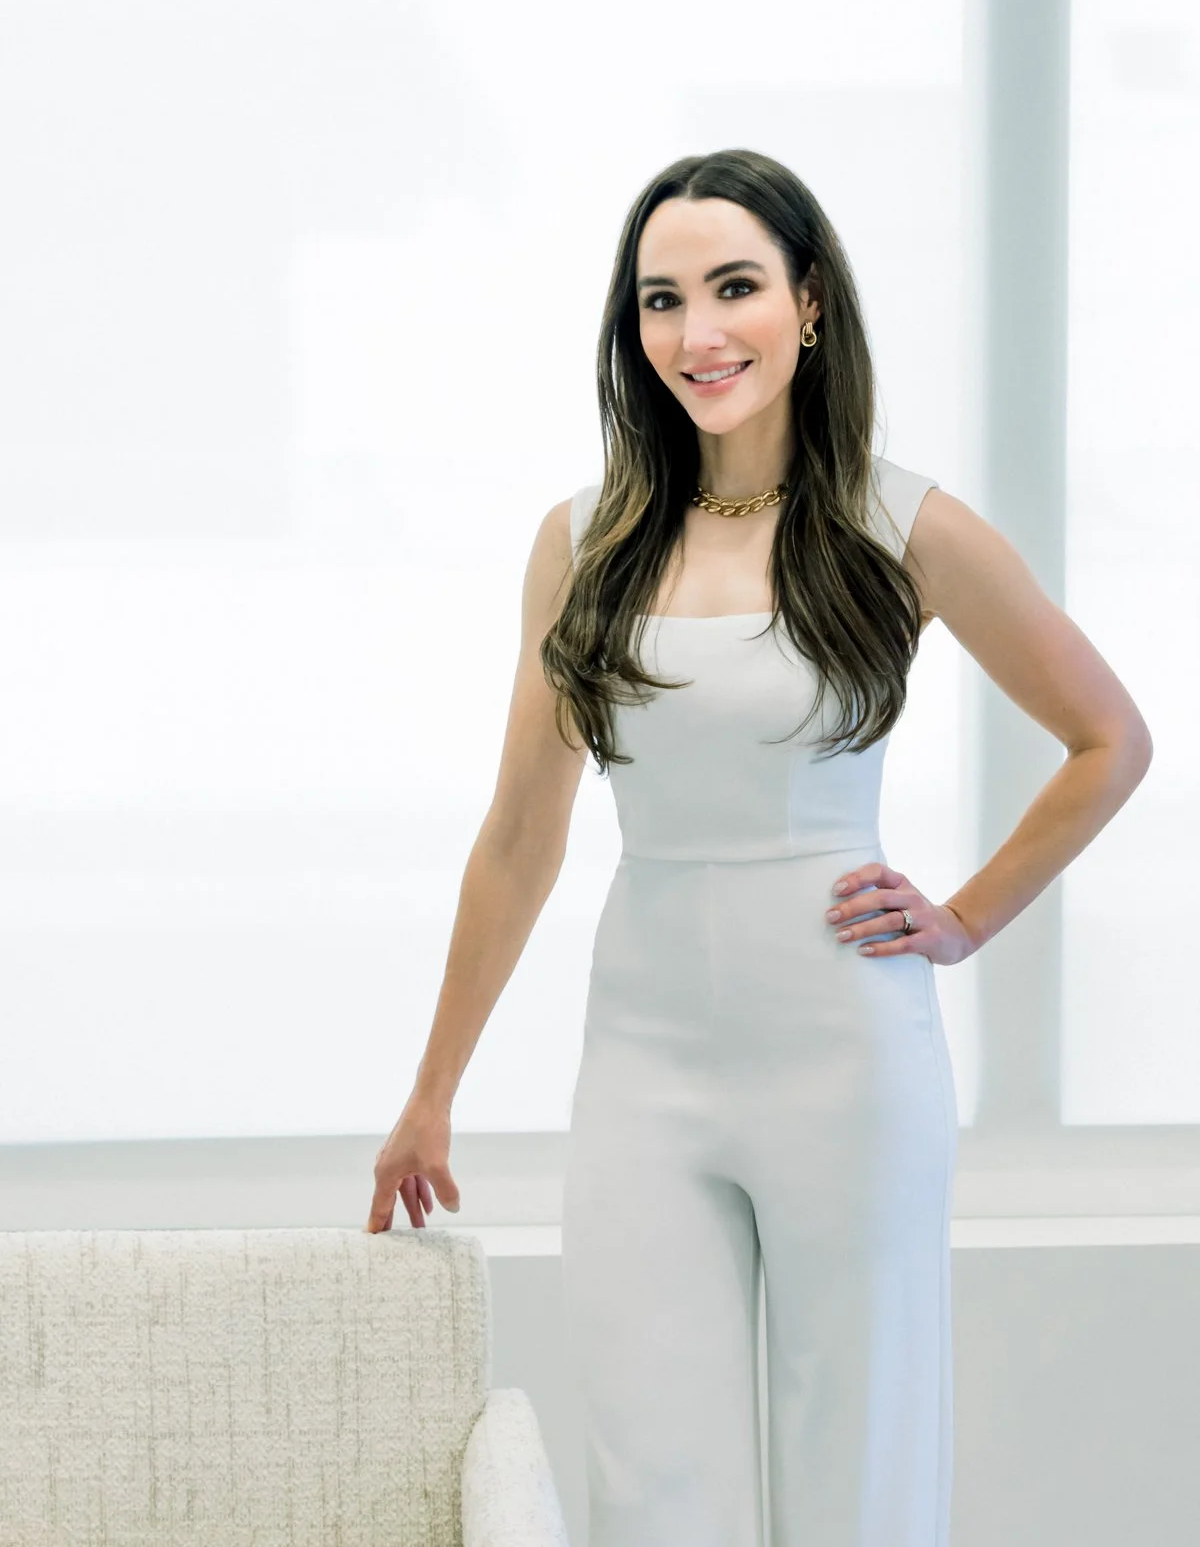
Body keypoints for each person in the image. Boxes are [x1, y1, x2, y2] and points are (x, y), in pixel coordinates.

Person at [365, 148, 1152, 1546]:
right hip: (644, 1064)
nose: (699, 332)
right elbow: (519, 836)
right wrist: (432, 1094)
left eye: (735, 287)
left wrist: (965, 918)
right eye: (662, 300)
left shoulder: (902, 527)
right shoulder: (587, 538)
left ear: (810, 306)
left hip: (847, 1055)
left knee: (859, 1463)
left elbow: (1110, 740)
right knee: (657, 1476)